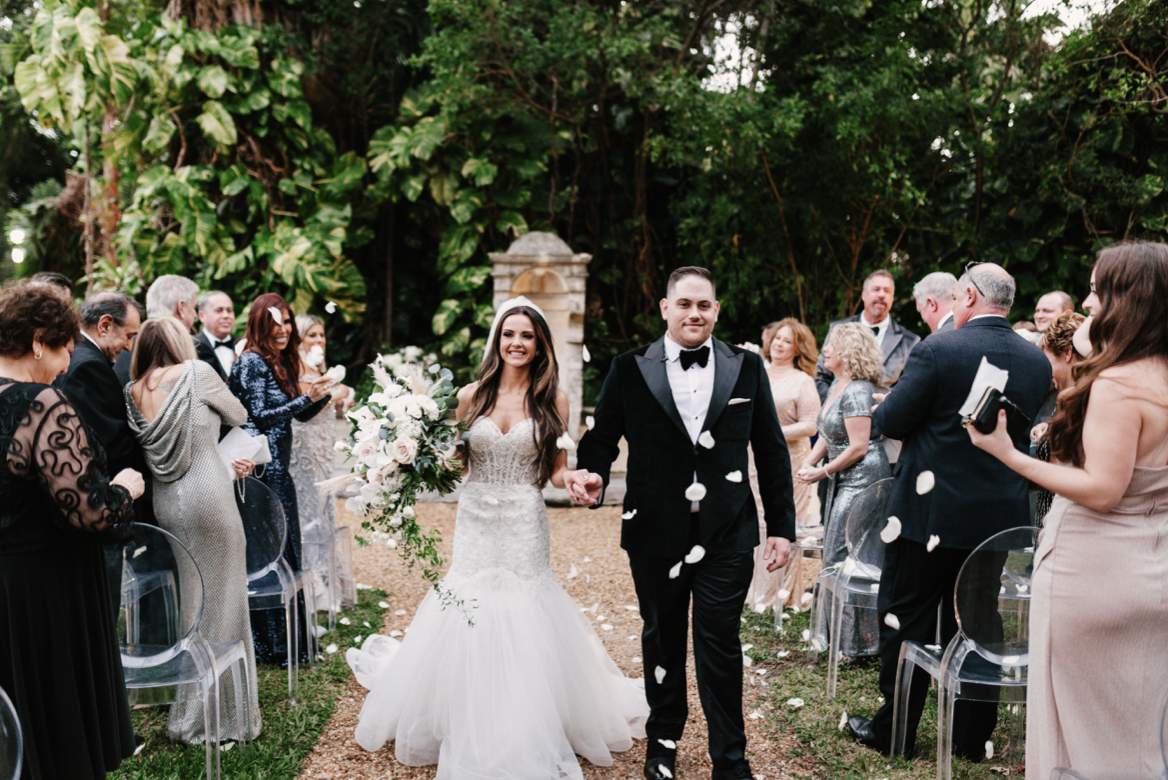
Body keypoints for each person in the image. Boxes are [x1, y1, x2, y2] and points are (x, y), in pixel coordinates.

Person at [347, 297, 648, 779]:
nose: (517, 343)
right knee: (470, 603)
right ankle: (466, 712)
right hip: (476, 519)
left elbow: (554, 473)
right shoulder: (471, 395)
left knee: (524, 608)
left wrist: (575, 482)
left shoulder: (554, 400)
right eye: (510, 334)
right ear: (497, 340)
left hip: (524, 519)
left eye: (527, 335)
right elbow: (455, 462)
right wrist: (408, 457)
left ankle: (524, 718)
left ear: (540, 344)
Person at [569, 267, 796, 780]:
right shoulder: (629, 368)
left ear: (716, 310)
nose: (696, 313)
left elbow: (771, 449)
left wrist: (781, 525)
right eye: (686, 304)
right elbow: (602, 439)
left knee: (720, 642)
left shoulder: (747, 368)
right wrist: (593, 476)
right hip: (654, 531)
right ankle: (663, 745)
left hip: (729, 531)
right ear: (665, 308)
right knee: (661, 638)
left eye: (705, 305)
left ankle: (730, 760)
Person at [970, 242, 1168, 779]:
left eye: (1098, 291)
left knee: (1080, 736)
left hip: (1094, 573)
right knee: (1135, 731)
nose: (1087, 300)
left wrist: (1008, 454)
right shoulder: (1158, 375)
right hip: (1151, 570)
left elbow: (1102, 489)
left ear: (1128, 301)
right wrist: (1087, 337)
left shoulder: (1119, 386)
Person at [845, 262, 1051, 759]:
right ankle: (971, 738)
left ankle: (894, 733)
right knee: (979, 620)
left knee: (906, 616)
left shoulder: (937, 348)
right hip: (996, 519)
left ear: (971, 297)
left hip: (928, 514)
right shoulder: (1036, 361)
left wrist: (886, 408)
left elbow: (892, 420)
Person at [0, 280, 145, 780]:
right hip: (47, 591)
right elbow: (89, 512)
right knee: (55, 719)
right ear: (38, 340)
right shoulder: (41, 406)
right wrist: (125, 488)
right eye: (64, 346)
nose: (67, 361)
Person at [124, 317, 261, 744]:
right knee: (227, 597)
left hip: (168, 502)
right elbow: (240, 413)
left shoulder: (133, 391)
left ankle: (188, 712)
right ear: (179, 342)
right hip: (209, 494)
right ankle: (226, 717)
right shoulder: (198, 373)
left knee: (195, 602)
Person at [229, 294, 333, 664]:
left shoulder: (278, 362)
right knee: (271, 558)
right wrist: (306, 399)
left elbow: (297, 418)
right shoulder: (254, 362)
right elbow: (259, 414)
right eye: (276, 325)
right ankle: (272, 646)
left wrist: (321, 395)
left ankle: (291, 641)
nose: (284, 331)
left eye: (288, 323)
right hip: (262, 472)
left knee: (289, 554)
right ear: (260, 326)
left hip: (279, 470)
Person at [797, 323, 891, 567]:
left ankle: (853, 605)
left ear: (849, 351)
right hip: (843, 474)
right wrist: (809, 461)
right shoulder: (838, 385)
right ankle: (835, 605)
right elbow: (829, 435)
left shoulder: (858, 390)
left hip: (863, 478)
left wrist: (823, 471)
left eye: (832, 345)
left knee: (842, 552)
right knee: (834, 549)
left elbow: (859, 446)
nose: (825, 349)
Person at [745, 318, 821, 613]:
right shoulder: (756, 372)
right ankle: (753, 591)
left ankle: (779, 595)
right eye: (777, 338)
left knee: (782, 524)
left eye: (787, 341)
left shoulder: (802, 381)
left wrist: (770, 432)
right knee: (756, 522)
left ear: (797, 349)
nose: (779, 344)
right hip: (752, 459)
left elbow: (811, 426)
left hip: (790, 463)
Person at [53, 292, 145, 509]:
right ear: (105, 325)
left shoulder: (78, 355)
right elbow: (111, 444)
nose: (130, 347)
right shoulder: (88, 366)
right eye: (129, 335)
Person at [290, 313, 356, 613]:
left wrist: (343, 396)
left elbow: (334, 400)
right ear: (299, 339)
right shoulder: (296, 369)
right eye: (311, 335)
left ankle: (331, 583)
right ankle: (313, 590)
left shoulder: (318, 368)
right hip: (305, 451)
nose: (319, 340)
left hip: (325, 452)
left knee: (325, 511)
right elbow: (311, 402)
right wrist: (337, 392)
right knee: (309, 516)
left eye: (321, 335)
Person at [815, 269, 921, 401]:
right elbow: (821, 377)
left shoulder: (910, 341)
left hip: (884, 417)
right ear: (864, 294)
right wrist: (833, 409)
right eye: (876, 289)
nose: (881, 295)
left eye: (887, 291)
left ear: (892, 298)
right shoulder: (837, 329)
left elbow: (909, 387)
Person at [1029, 310, 1086, 524]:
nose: (1046, 372)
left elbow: (1056, 474)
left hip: (1062, 520)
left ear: (1068, 353)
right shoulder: (1069, 397)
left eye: (1048, 361)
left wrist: (1005, 457)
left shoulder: (1074, 401)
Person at [115, 275, 200, 385]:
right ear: (181, 307)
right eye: (193, 308)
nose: (195, 315)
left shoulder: (122, 347)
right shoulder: (183, 347)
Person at [194, 290, 236, 380]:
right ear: (202, 316)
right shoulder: (193, 346)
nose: (226, 315)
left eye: (229, 310)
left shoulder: (244, 345)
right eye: (219, 311)